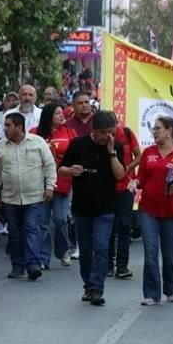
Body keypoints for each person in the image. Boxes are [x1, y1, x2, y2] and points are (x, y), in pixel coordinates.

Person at [58, 111, 126, 306]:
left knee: (102, 247)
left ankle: (97, 288)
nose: (107, 137)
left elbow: (120, 175)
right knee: (86, 251)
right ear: (93, 130)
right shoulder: (78, 144)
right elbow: (61, 168)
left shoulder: (116, 147)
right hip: (82, 207)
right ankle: (88, 285)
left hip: (106, 207)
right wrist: (70, 171)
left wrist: (112, 152)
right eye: (104, 133)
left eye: (111, 132)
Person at [0, 113, 56, 281]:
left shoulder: (37, 142)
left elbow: (49, 165)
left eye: (9, 125)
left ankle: (33, 264)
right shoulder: (2, 146)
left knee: (31, 228)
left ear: (19, 127)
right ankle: (17, 265)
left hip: (34, 196)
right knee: (15, 232)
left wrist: (49, 187)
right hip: (10, 197)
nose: (5, 129)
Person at [136, 116, 173, 305]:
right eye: (154, 128)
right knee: (150, 252)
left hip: (172, 211)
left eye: (158, 128)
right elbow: (141, 179)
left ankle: (170, 288)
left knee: (168, 254)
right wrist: (133, 182)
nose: (154, 132)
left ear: (169, 131)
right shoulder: (148, 153)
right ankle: (151, 294)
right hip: (148, 209)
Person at [30, 102, 77, 268]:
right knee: (43, 222)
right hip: (40, 183)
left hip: (63, 182)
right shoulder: (35, 133)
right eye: (58, 113)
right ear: (49, 116)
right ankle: (43, 258)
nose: (62, 115)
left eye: (62, 113)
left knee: (60, 219)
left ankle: (63, 249)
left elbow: (76, 155)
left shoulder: (70, 133)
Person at [107, 117, 140, 279]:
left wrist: (128, 169)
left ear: (116, 124)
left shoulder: (126, 133)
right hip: (107, 188)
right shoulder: (103, 138)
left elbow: (138, 156)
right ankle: (107, 263)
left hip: (126, 186)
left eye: (112, 126)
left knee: (125, 225)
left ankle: (122, 266)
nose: (110, 131)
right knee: (108, 226)